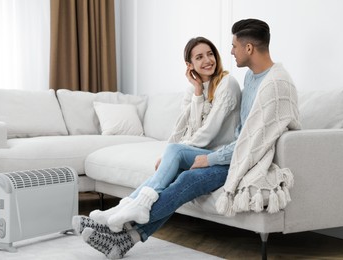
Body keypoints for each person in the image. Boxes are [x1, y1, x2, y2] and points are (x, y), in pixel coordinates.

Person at [73, 18, 301, 259]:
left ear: (249, 48)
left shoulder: (275, 84)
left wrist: (210, 159)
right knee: (176, 155)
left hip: (244, 161)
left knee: (186, 178)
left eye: (233, 46)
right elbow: (238, 132)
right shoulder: (251, 77)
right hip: (232, 154)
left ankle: (119, 226)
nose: (230, 52)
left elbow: (251, 143)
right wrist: (197, 94)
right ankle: (123, 228)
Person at [73, 37, 241, 232]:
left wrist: (176, 152)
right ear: (190, 65)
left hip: (216, 155)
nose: (207, 60)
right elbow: (185, 128)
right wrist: (197, 93)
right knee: (169, 165)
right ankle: (122, 209)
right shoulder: (192, 91)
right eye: (199, 57)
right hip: (199, 152)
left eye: (210, 54)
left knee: (175, 156)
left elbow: (208, 133)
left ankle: (128, 209)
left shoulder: (227, 84)